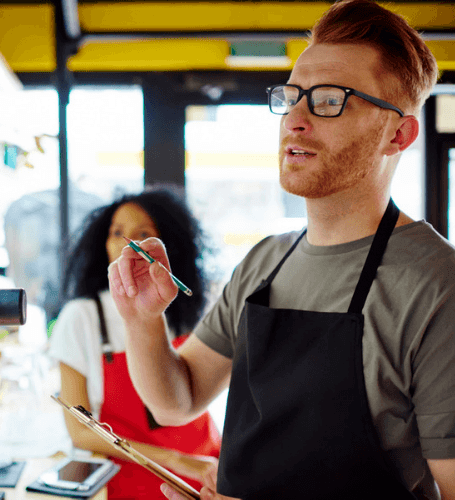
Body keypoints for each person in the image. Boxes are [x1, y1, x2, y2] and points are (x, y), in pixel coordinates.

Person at [108, 1, 455, 499]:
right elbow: (177, 401)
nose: (294, 118)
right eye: (291, 96)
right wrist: (142, 319)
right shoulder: (266, 261)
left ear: (397, 134)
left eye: (330, 99)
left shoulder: (437, 285)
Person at [48, 188, 222, 499]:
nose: (128, 243)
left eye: (142, 233)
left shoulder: (187, 309)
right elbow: (80, 432)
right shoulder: (83, 317)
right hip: (139, 478)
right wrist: (177, 461)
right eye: (117, 233)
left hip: (212, 467)